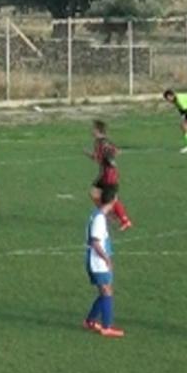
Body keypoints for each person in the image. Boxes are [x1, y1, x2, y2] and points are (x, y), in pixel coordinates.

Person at [83, 202, 125, 338]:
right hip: (98, 262)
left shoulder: (98, 215)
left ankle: (90, 321)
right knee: (106, 292)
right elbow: (95, 242)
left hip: (97, 261)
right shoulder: (99, 218)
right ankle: (106, 327)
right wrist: (106, 258)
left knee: (105, 291)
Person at [86, 120, 132, 231]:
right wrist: (90, 154)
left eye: (93, 128)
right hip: (104, 174)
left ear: (97, 130)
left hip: (110, 175)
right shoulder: (99, 142)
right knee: (93, 193)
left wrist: (109, 158)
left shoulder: (103, 143)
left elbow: (114, 152)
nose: (91, 130)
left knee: (111, 199)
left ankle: (124, 220)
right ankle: (109, 214)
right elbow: (100, 157)